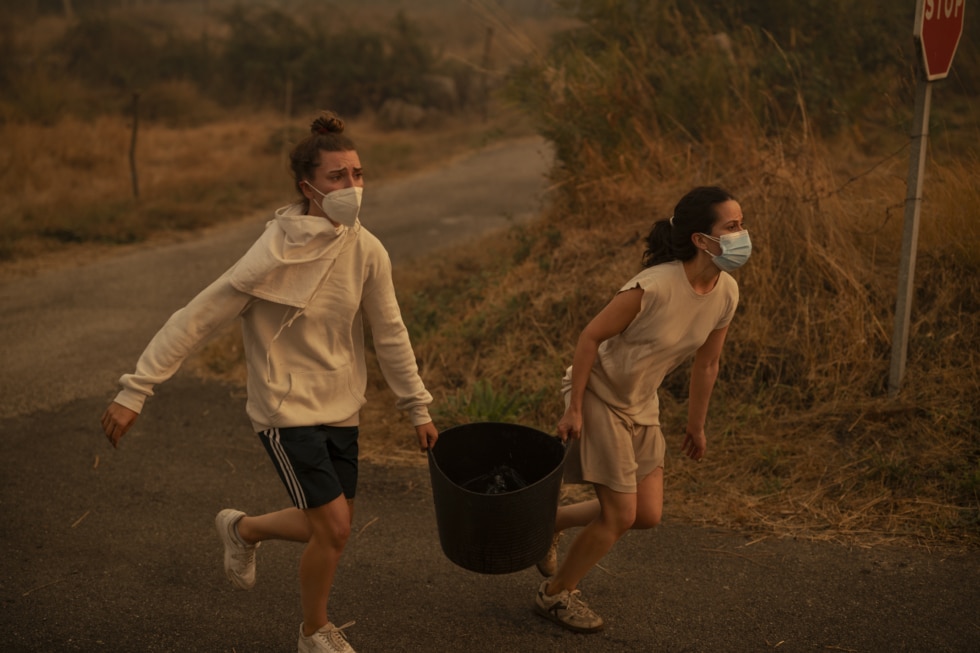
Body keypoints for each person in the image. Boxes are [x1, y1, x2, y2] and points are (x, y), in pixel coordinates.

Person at [100, 110, 439, 653]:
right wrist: (135, 389)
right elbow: (196, 317)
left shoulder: (367, 248)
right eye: (337, 177)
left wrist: (416, 407)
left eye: (357, 174)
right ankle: (313, 632)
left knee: (328, 527)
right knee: (333, 529)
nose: (351, 186)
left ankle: (244, 530)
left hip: (342, 405)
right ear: (308, 187)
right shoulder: (272, 255)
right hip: (285, 410)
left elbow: (390, 331)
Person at [533, 186, 749, 633]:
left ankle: (546, 522)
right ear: (700, 239)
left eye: (741, 225)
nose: (742, 234)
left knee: (647, 514)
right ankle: (555, 595)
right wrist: (574, 408)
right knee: (620, 514)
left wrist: (697, 426)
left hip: (640, 404)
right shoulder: (653, 286)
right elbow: (589, 337)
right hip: (598, 395)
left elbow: (708, 362)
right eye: (731, 227)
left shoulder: (726, 291)